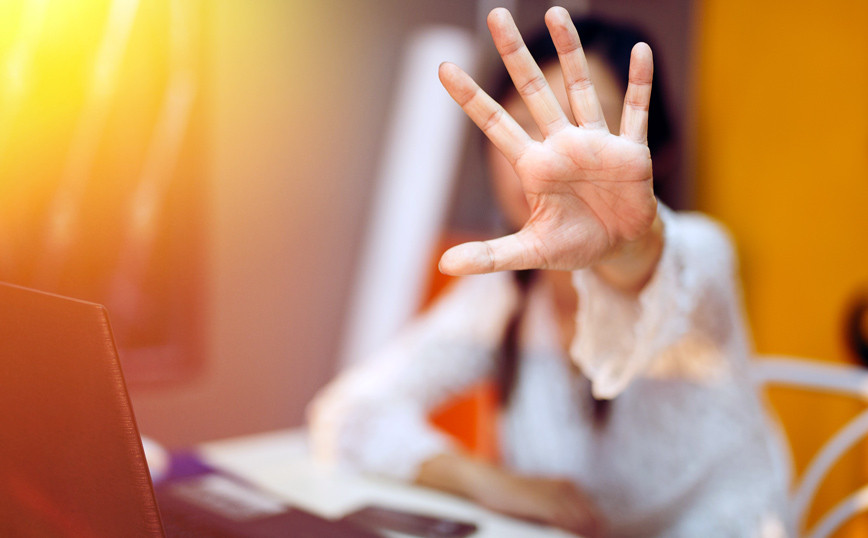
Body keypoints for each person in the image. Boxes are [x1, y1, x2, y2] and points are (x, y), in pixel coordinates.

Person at [309, 7, 791, 537]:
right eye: (524, 124)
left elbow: (651, 269)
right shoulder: (503, 296)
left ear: (655, 152)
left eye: (586, 126)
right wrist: (485, 480)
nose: (550, 153)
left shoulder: (701, 251)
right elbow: (350, 413)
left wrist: (625, 243)